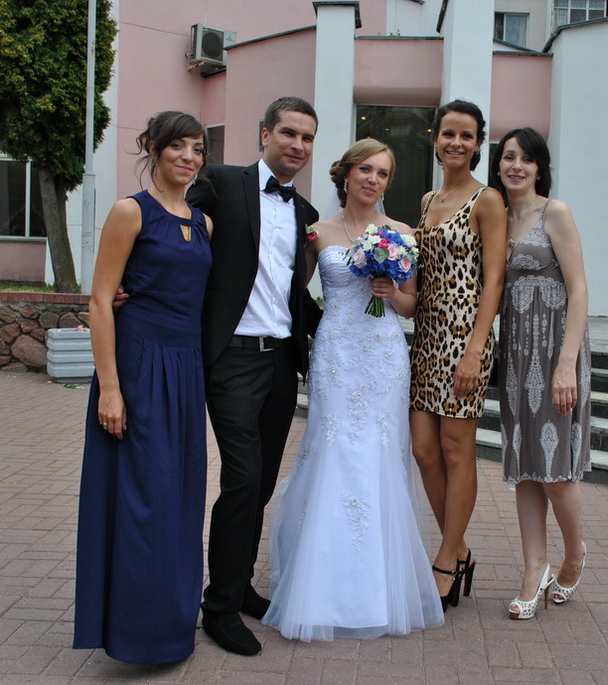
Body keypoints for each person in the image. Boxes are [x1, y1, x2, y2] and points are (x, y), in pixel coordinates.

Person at [262, 139, 445, 640]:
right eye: (366, 169)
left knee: (378, 454)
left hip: (383, 357)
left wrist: (391, 292)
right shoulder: (317, 231)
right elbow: (286, 288)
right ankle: (319, 583)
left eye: (383, 173)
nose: (373, 180)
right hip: (336, 355)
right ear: (346, 174)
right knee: (335, 450)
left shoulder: (403, 233)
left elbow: (412, 306)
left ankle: (376, 587)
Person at [73, 111, 212, 663]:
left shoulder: (204, 223)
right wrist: (110, 388)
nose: (189, 157)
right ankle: (137, 634)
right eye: (178, 146)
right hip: (139, 367)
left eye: (198, 149)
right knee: (144, 499)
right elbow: (100, 300)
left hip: (186, 369)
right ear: (153, 148)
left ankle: (174, 627)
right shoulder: (130, 211)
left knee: (181, 498)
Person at [184, 97, 320, 656]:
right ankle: (218, 608)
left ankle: (238, 588)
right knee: (242, 478)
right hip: (233, 357)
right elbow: (171, 222)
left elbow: (294, 291)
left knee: (260, 484)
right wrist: (131, 280)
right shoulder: (220, 182)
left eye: (307, 138)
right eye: (289, 133)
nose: (297, 145)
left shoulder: (307, 212)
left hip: (281, 360)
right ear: (265, 134)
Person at [487, 127, 590, 621]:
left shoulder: (556, 213)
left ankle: (574, 553)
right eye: (509, 157)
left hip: (555, 352)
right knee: (526, 465)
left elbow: (580, 289)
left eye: (527, 159)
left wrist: (567, 363)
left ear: (539, 168)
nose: (516, 166)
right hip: (515, 354)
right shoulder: (497, 217)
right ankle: (534, 569)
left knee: (555, 469)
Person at [409, 100, 507, 611]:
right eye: (448, 133)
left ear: (478, 144)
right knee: (423, 449)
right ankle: (460, 546)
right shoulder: (428, 200)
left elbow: (495, 280)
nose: (456, 142)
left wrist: (475, 350)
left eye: (467, 136)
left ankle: (447, 558)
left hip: (464, 337)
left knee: (455, 448)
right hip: (426, 335)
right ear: (436, 138)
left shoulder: (487, 200)